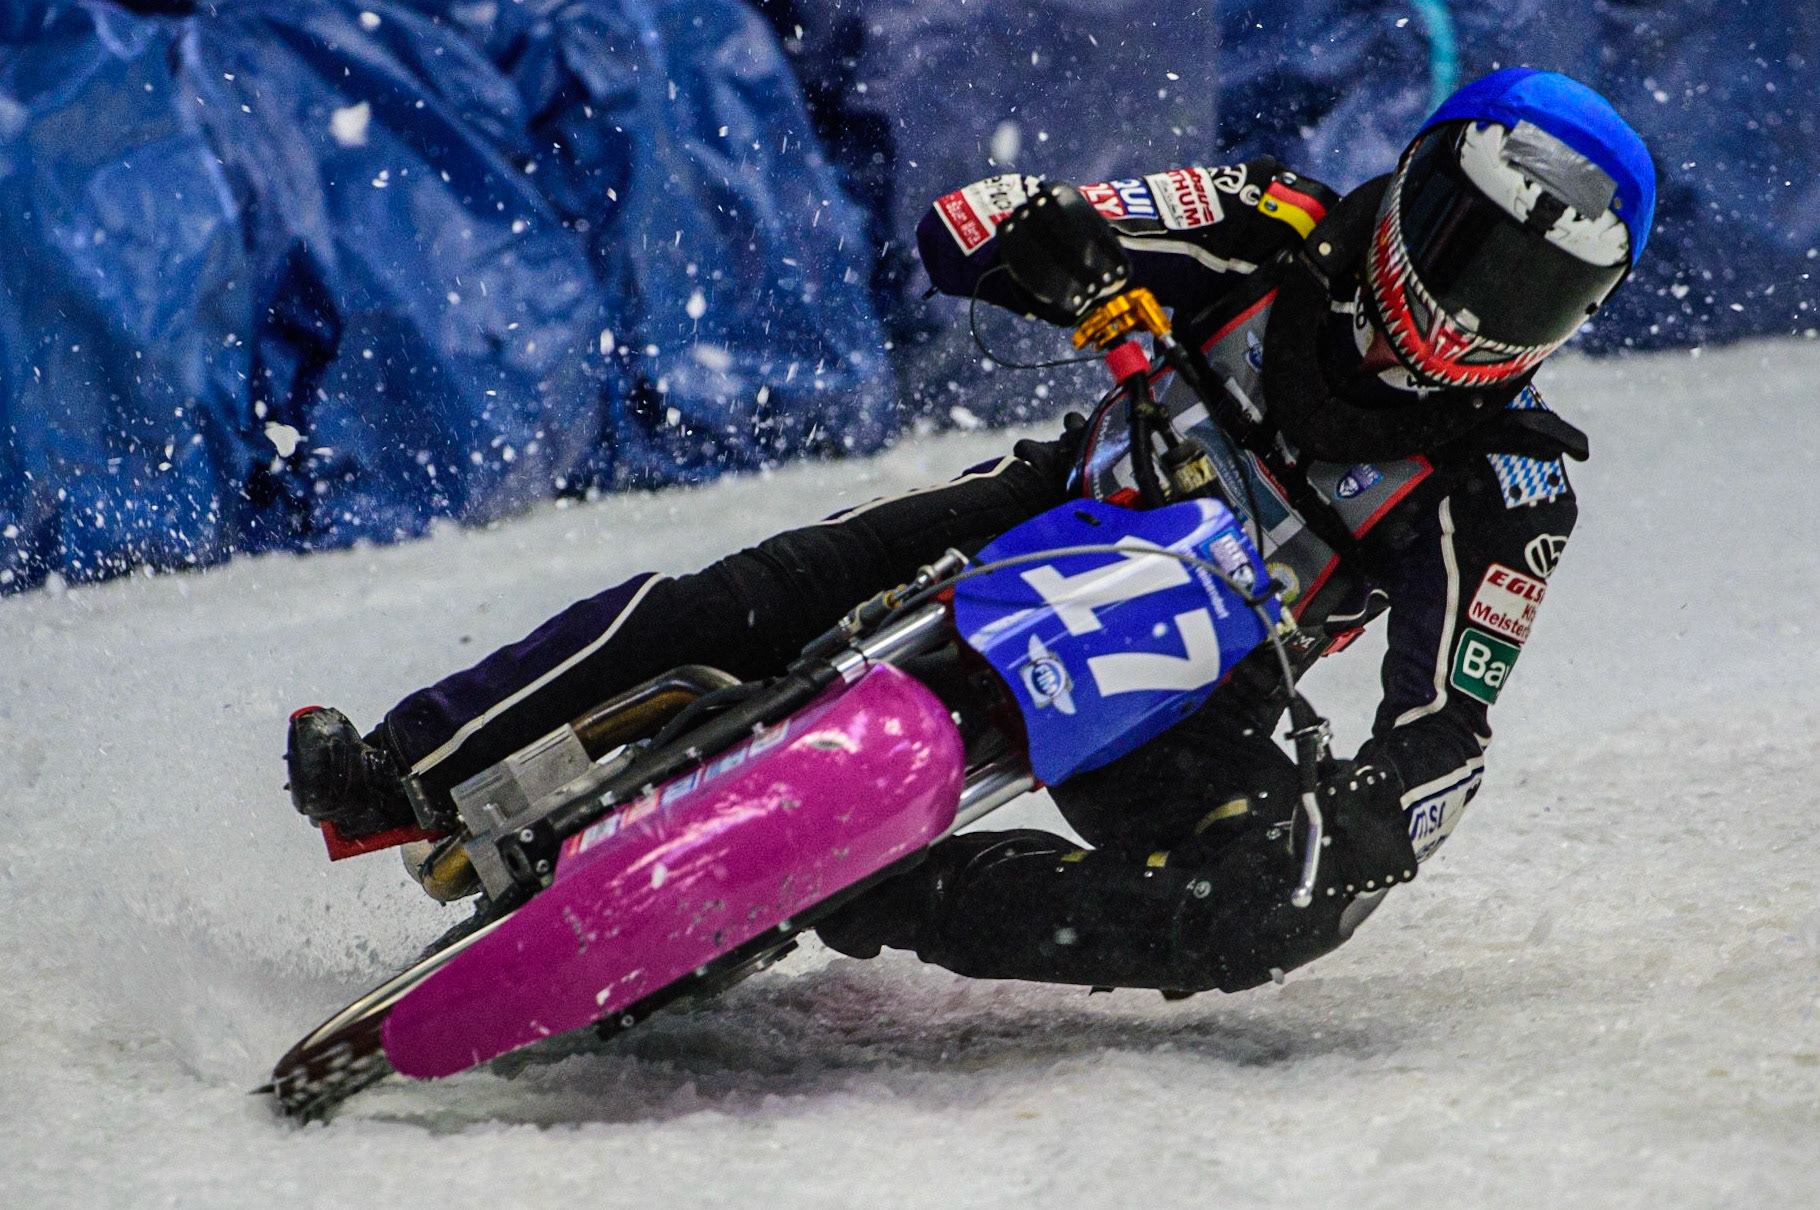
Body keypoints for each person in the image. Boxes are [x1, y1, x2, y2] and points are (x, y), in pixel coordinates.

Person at [285, 68, 1653, 995]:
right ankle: (408, 765)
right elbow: (972, 223)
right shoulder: (1266, 221)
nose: (1471, 314)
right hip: (1053, 511)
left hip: (1195, 682)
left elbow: (1446, 730)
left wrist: (1373, 816)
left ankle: (878, 884)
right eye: (1469, 250)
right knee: (752, 593)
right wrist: (1058, 254)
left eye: (1530, 295)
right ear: (1411, 187)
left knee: (1272, 907)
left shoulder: (1511, 488)